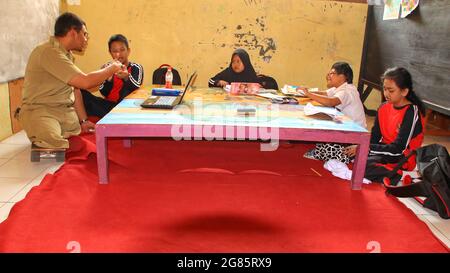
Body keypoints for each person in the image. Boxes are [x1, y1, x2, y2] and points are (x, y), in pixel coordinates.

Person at [17, 12, 124, 149]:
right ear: (73, 33)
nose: (86, 39)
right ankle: (41, 135)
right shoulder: (49, 52)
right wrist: (112, 67)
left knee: (79, 136)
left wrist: (84, 121)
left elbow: (76, 88)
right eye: (85, 34)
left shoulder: (66, 54)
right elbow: (85, 82)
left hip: (63, 111)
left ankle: (51, 134)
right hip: (41, 111)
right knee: (57, 144)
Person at [343, 67, 425, 184]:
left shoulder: (411, 111)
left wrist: (368, 148)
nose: (386, 94)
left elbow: (399, 149)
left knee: (364, 166)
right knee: (354, 156)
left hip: (402, 157)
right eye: (385, 89)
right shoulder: (383, 107)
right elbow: (375, 137)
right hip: (386, 150)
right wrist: (362, 146)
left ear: (404, 92)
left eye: (391, 91)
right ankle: (385, 171)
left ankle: (405, 175)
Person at [300, 62, 367, 163]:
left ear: (343, 76)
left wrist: (308, 94)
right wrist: (305, 92)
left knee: (323, 130)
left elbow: (331, 102)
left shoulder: (347, 91)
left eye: (332, 73)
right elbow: (324, 93)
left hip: (354, 135)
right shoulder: (340, 88)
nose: (328, 75)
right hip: (349, 129)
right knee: (323, 127)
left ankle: (348, 154)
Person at [74, 34, 144, 120]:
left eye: (122, 50)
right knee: (79, 92)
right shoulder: (107, 68)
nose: (118, 54)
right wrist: (108, 80)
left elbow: (136, 87)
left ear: (128, 51)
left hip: (127, 107)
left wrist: (126, 77)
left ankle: (116, 117)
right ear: (110, 52)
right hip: (109, 107)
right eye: (115, 51)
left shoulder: (136, 67)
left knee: (126, 94)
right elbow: (104, 92)